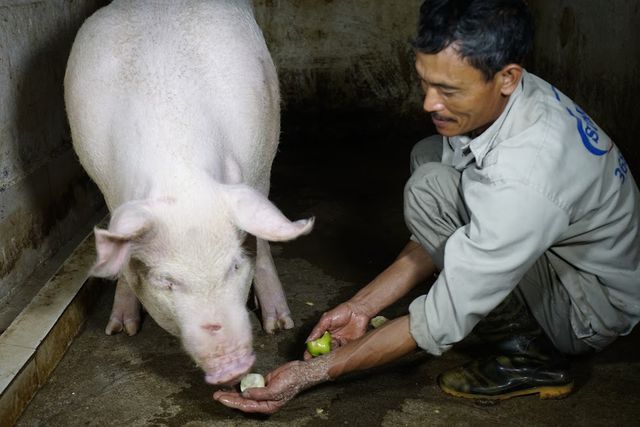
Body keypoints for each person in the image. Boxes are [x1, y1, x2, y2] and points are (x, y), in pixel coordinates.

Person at [214, 0, 640, 414]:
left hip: (586, 311)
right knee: (430, 158)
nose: (429, 103)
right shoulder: (510, 100)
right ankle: (509, 320)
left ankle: (529, 360)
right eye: (425, 82)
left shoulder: (528, 174)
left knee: (430, 189)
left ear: (507, 77)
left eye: (448, 90)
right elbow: (439, 231)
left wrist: (311, 375)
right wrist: (362, 307)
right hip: (565, 261)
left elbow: (440, 319)